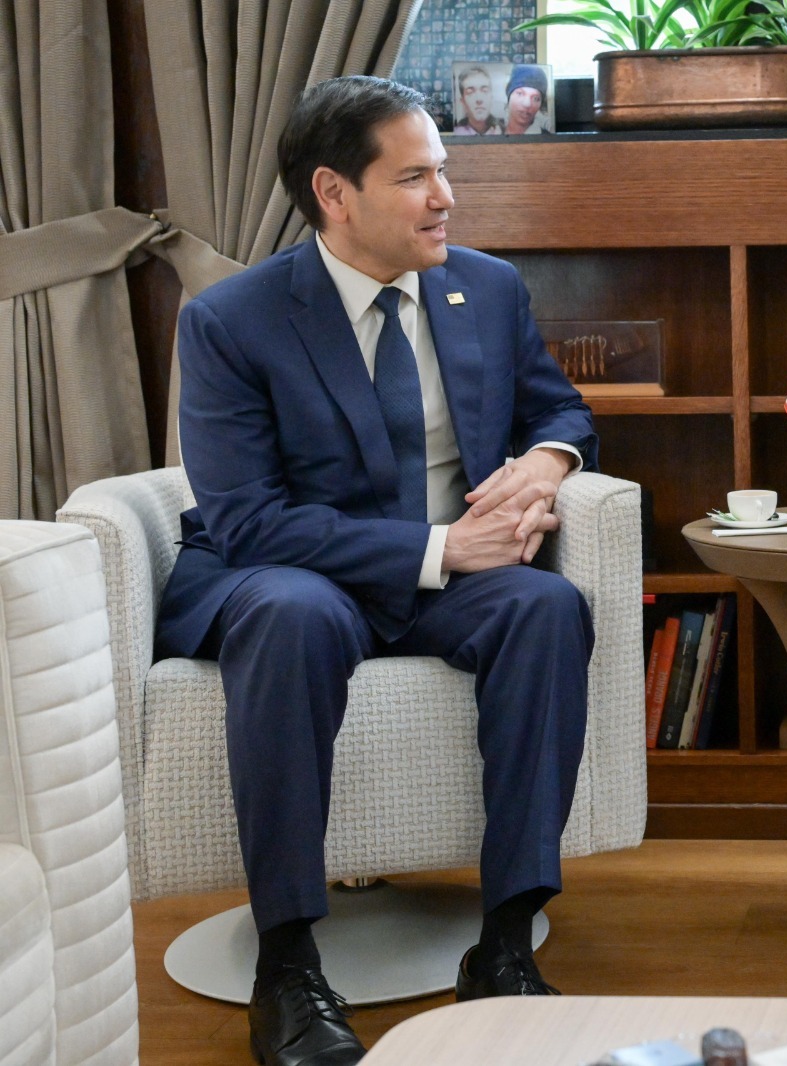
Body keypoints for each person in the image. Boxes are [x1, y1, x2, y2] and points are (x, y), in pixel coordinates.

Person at [156, 75, 597, 1066]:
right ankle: (288, 963)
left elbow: (559, 409)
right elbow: (250, 520)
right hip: (293, 569)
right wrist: (442, 549)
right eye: (415, 177)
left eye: (444, 171)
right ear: (334, 192)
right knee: (290, 616)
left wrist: (547, 460)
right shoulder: (232, 320)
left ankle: (504, 944)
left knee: (546, 607)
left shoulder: (484, 288)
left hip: (452, 579)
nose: (445, 197)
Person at [453, 65, 505, 136]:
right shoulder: (455, 133)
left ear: (491, 98)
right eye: (470, 92)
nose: (479, 99)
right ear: (463, 101)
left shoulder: (505, 132)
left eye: (484, 90)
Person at [505, 64, 553, 135]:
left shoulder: (547, 139)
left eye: (535, 98)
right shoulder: (492, 131)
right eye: (520, 94)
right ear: (509, 96)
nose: (527, 104)